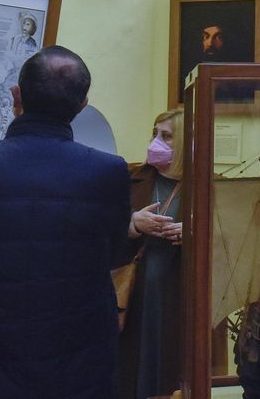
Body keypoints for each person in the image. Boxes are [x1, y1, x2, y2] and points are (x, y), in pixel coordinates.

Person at [0, 46, 151, 399]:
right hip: (77, 359)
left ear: (16, 95)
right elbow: (111, 253)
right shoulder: (107, 171)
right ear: (82, 106)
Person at [117, 109, 186, 399]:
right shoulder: (130, 176)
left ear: (184, 142)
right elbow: (103, 230)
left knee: (174, 372)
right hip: (135, 292)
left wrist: (193, 233)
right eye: (155, 134)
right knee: (130, 371)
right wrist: (133, 223)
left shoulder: (211, 184)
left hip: (180, 296)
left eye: (167, 136)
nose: (156, 142)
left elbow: (225, 239)